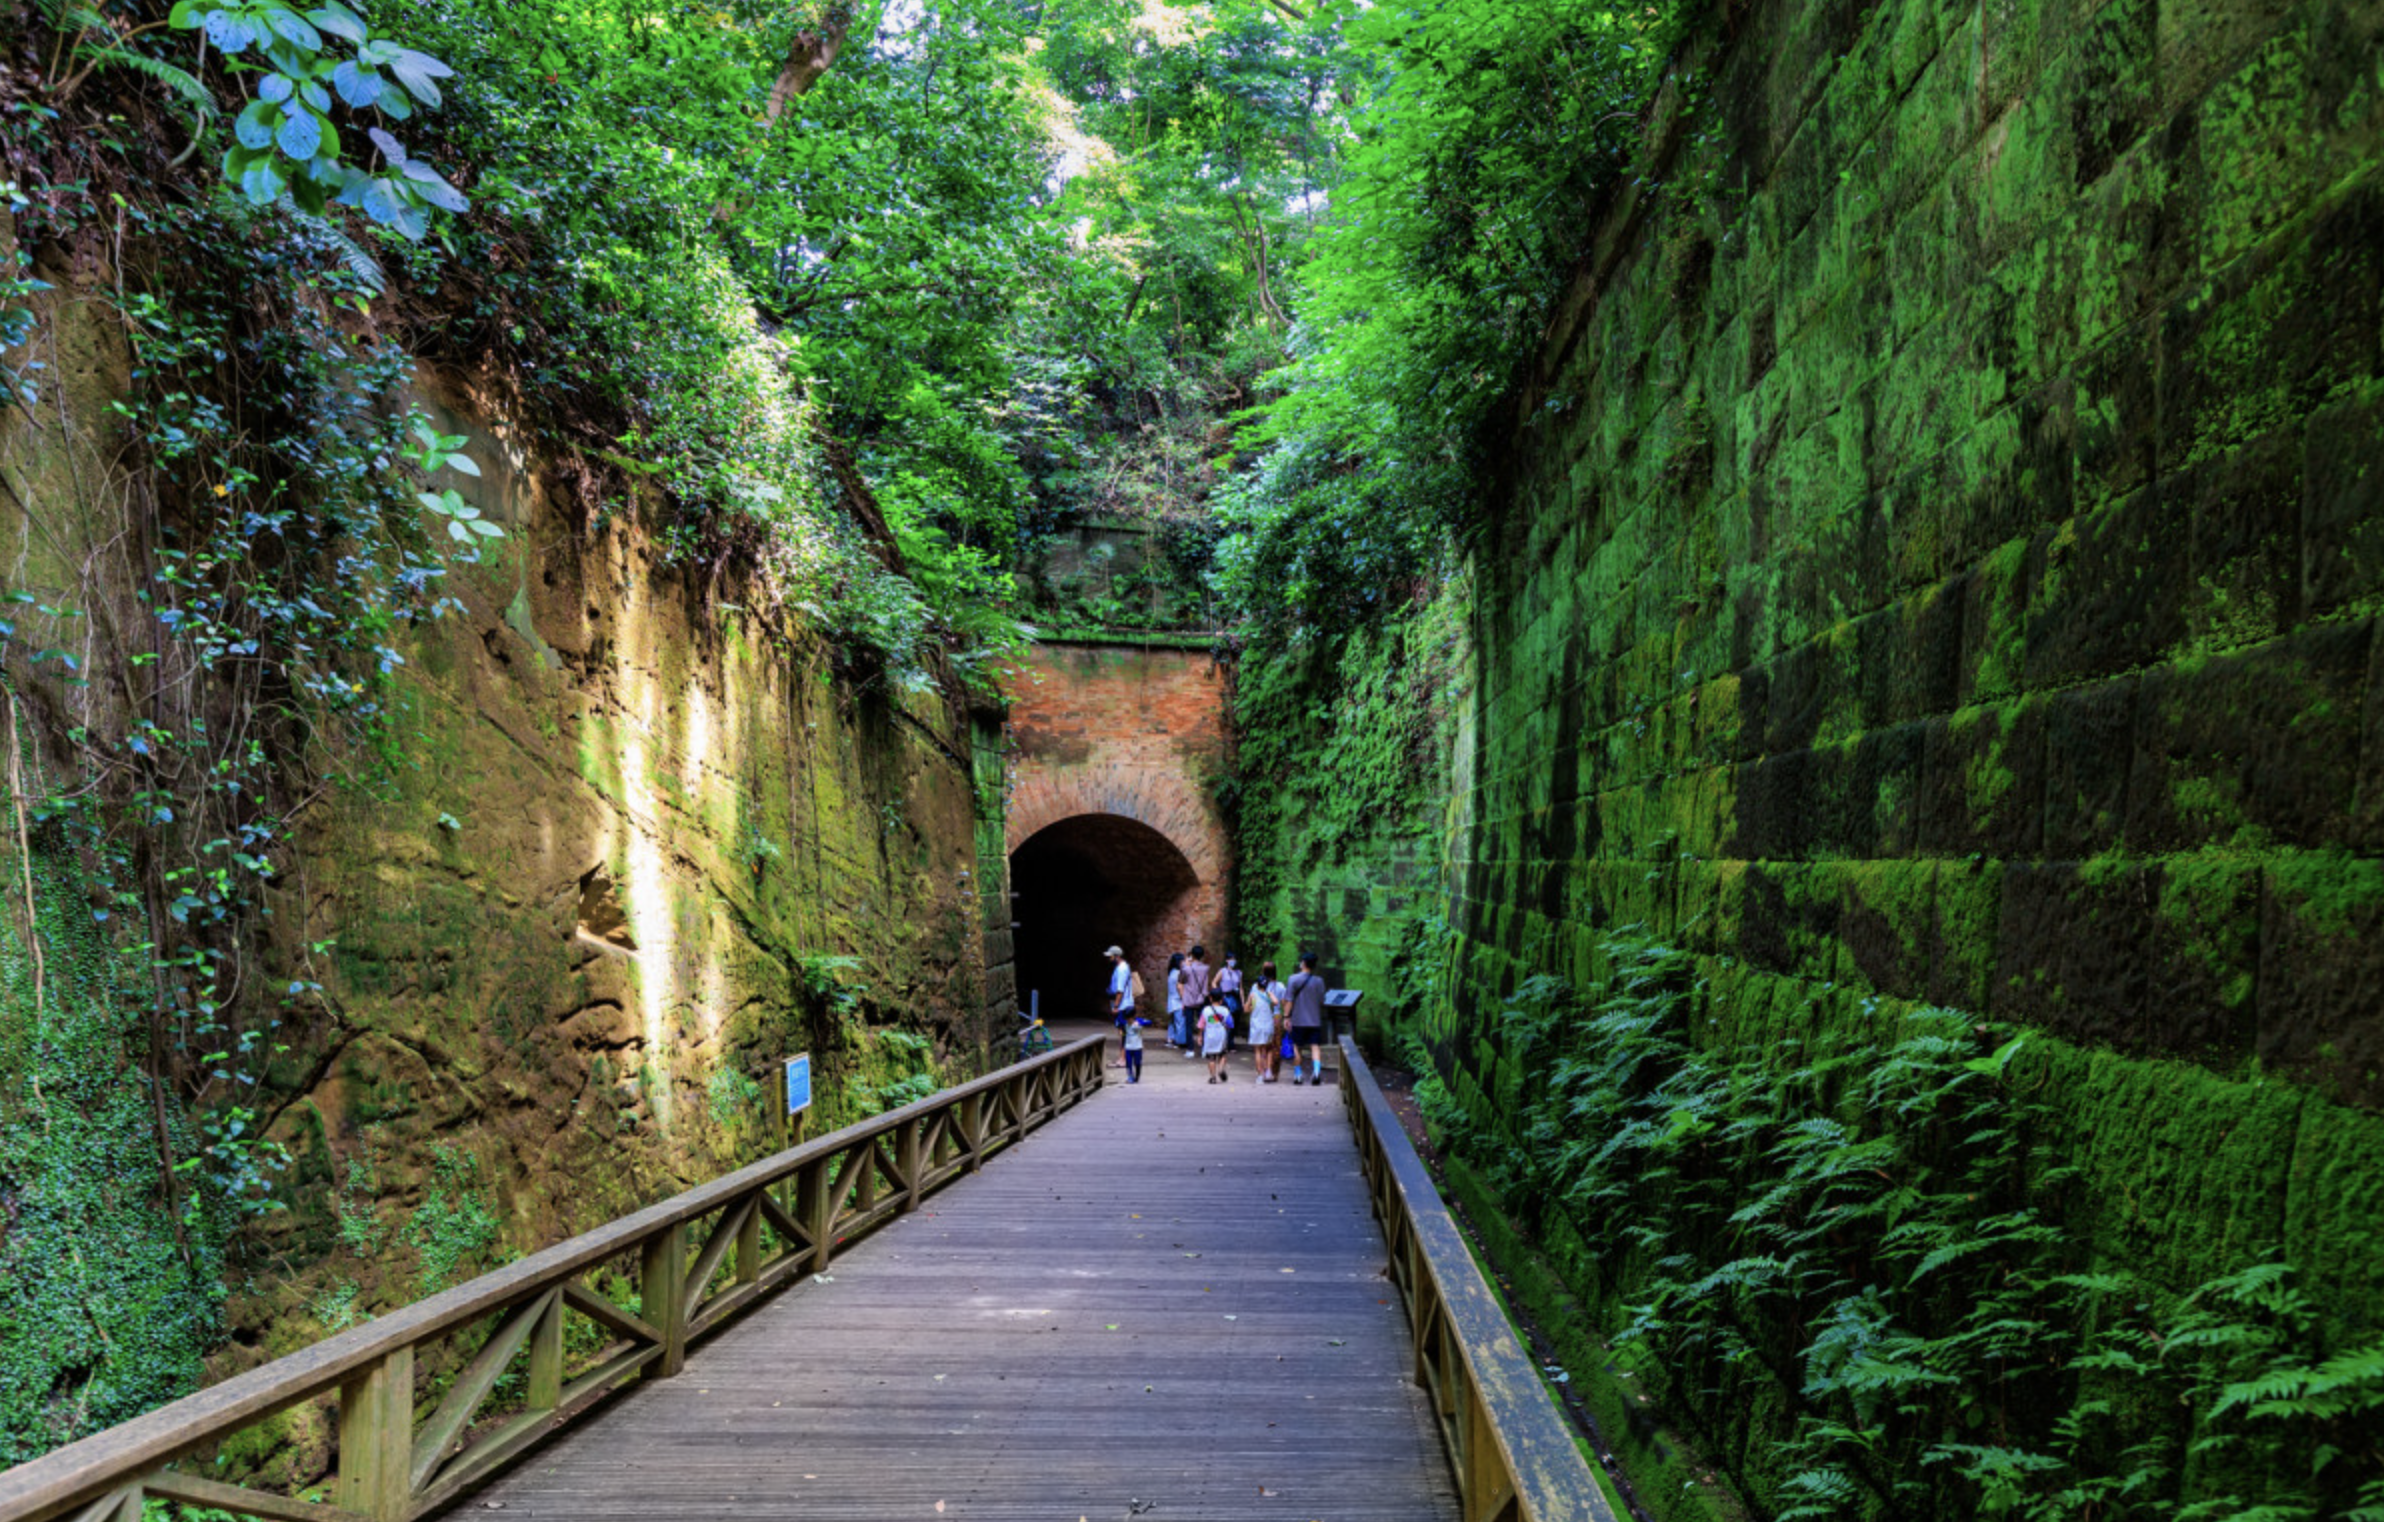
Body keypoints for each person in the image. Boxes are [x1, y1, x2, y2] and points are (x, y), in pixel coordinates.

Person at [1286, 952, 1328, 1086]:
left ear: (1303, 963)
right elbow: (1322, 1000)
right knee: (1315, 1046)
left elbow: (1289, 1000)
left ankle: (1298, 1075)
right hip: (1314, 1020)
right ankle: (1316, 1072)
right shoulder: (1319, 981)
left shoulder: (1293, 979)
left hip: (1298, 1020)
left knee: (1297, 1047)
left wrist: (1286, 1017)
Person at [1246, 960, 1282, 1083]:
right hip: (1272, 1020)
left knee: (1258, 1050)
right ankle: (1270, 1072)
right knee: (1271, 1048)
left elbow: (1248, 1007)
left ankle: (1260, 1075)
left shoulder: (1254, 989)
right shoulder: (1279, 986)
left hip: (1257, 1022)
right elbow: (1280, 1002)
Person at [1105, 945, 1134, 1069]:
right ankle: (1123, 1058)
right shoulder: (1121, 967)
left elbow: (1120, 990)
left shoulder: (1122, 969)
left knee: (1123, 1032)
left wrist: (1116, 1006)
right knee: (1123, 1032)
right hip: (1124, 1004)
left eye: (1110, 956)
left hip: (1123, 1005)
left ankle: (1123, 1059)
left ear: (1116, 956)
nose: (1109, 958)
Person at [1198, 989, 1234, 1083]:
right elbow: (1230, 1024)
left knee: (1211, 1057)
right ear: (1221, 1000)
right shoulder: (1225, 1010)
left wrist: (1200, 1036)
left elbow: (1201, 1025)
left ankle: (1213, 1077)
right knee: (1222, 1054)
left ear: (1210, 998)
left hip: (1210, 1036)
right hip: (1221, 1035)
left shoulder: (1206, 1010)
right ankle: (1221, 1069)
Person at [1216, 955, 1243, 1053]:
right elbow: (1214, 982)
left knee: (1234, 1021)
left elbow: (1241, 988)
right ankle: (1224, 1042)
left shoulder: (1239, 973)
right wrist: (1219, 994)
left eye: (1234, 959)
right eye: (1231, 959)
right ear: (1227, 960)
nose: (1233, 961)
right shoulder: (1222, 971)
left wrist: (1242, 1001)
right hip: (1225, 997)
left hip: (1235, 997)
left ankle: (1230, 1042)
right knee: (1225, 1020)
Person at [1164, 951, 1189, 1053]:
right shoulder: (1179, 973)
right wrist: (1184, 1000)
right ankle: (1179, 1041)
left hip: (1171, 1001)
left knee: (1173, 1022)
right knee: (1180, 1022)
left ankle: (1170, 1039)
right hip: (1178, 1001)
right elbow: (1180, 988)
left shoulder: (1171, 973)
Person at [1121, 1011, 1146, 1083]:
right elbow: (1123, 1034)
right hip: (1128, 1047)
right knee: (1128, 1063)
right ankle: (1130, 1076)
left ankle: (1137, 1076)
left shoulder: (1137, 1025)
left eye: (1129, 1019)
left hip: (1137, 1047)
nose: (1128, 1020)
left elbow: (1141, 1032)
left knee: (1137, 1063)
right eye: (1127, 1019)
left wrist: (1139, 1024)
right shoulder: (1125, 1025)